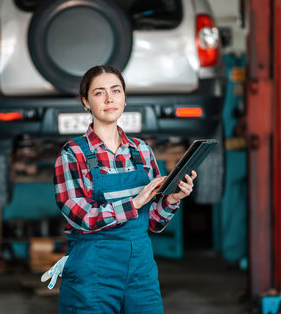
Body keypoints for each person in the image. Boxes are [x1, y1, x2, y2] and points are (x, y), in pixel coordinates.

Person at [53, 65, 197, 314]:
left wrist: (172, 198)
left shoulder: (141, 151)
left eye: (116, 91)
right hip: (93, 274)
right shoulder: (72, 154)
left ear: (124, 97)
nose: (110, 99)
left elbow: (153, 222)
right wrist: (134, 203)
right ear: (86, 102)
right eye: (99, 93)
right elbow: (83, 218)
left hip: (140, 273)